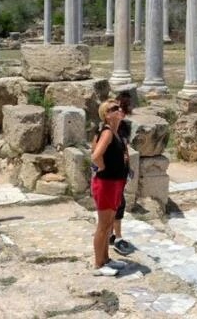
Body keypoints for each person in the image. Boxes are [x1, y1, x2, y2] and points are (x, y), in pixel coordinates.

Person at [90, 99, 130, 276]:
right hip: (106, 183)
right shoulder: (106, 133)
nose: (118, 110)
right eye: (114, 108)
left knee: (109, 226)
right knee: (103, 225)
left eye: (119, 107)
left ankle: (106, 259)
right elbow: (95, 155)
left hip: (115, 183)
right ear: (106, 115)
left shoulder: (117, 133)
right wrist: (103, 167)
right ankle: (99, 264)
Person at [109, 91, 135, 256]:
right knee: (118, 203)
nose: (122, 112)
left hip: (122, 170)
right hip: (111, 173)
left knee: (117, 203)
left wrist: (129, 165)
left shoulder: (125, 127)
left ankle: (111, 234)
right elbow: (97, 155)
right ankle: (117, 237)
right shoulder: (107, 131)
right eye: (119, 109)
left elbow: (125, 147)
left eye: (124, 109)